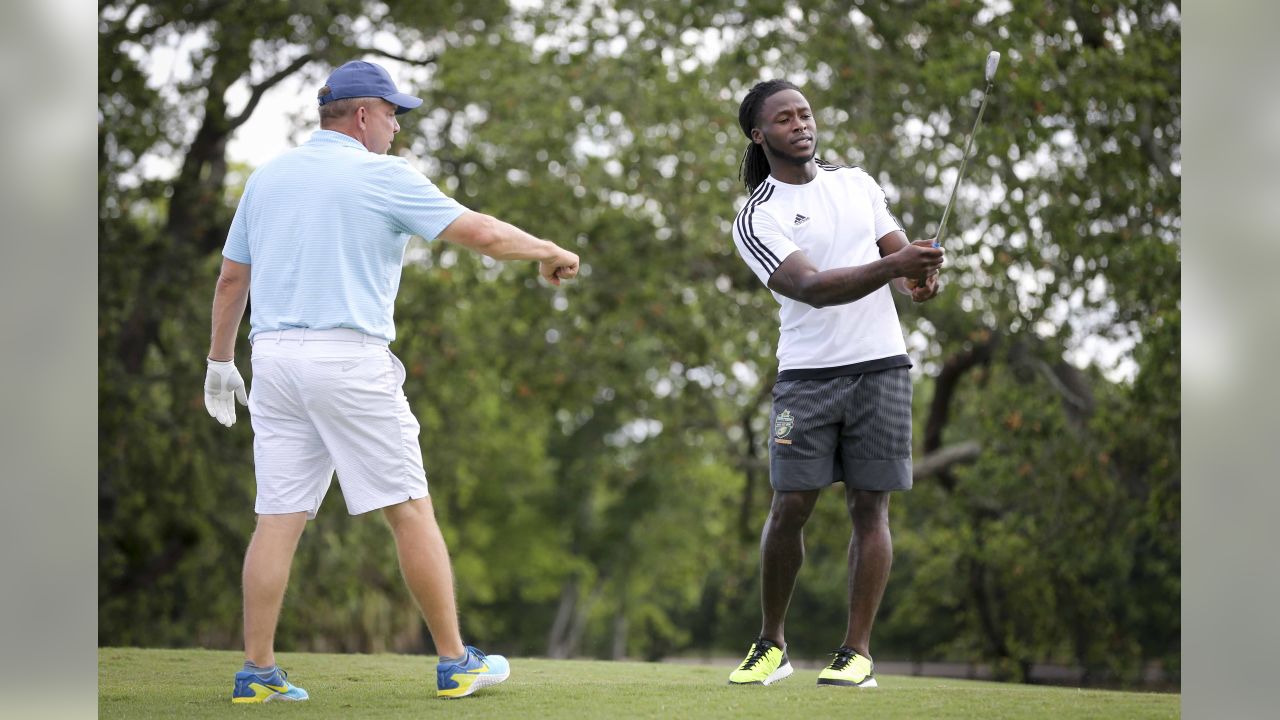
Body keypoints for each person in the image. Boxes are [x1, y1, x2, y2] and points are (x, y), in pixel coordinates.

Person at [203, 60, 580, 703]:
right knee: (408, 509)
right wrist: (550, 250)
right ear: (361, 115)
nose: (397, 128)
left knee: (276, 519)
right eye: (392, 114)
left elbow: (232, 281)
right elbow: (485, 236)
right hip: (347, 362)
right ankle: (456, 661)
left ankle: (257, 673)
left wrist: (218, 361)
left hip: (273, 363)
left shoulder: (267, 179)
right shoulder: (381, 176)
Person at [725, 79, 944, 689]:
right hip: (806, 379)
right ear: (759, 134)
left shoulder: (858, 184)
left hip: (882, 367)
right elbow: (812, 288)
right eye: (784, 118)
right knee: (790, 504)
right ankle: (771, 644)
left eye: (805, 113)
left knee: (870, 507)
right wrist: (897, 267)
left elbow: (900, 262)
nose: (800, 124)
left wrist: (919, 280)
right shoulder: (756, 215)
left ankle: (857, 654)